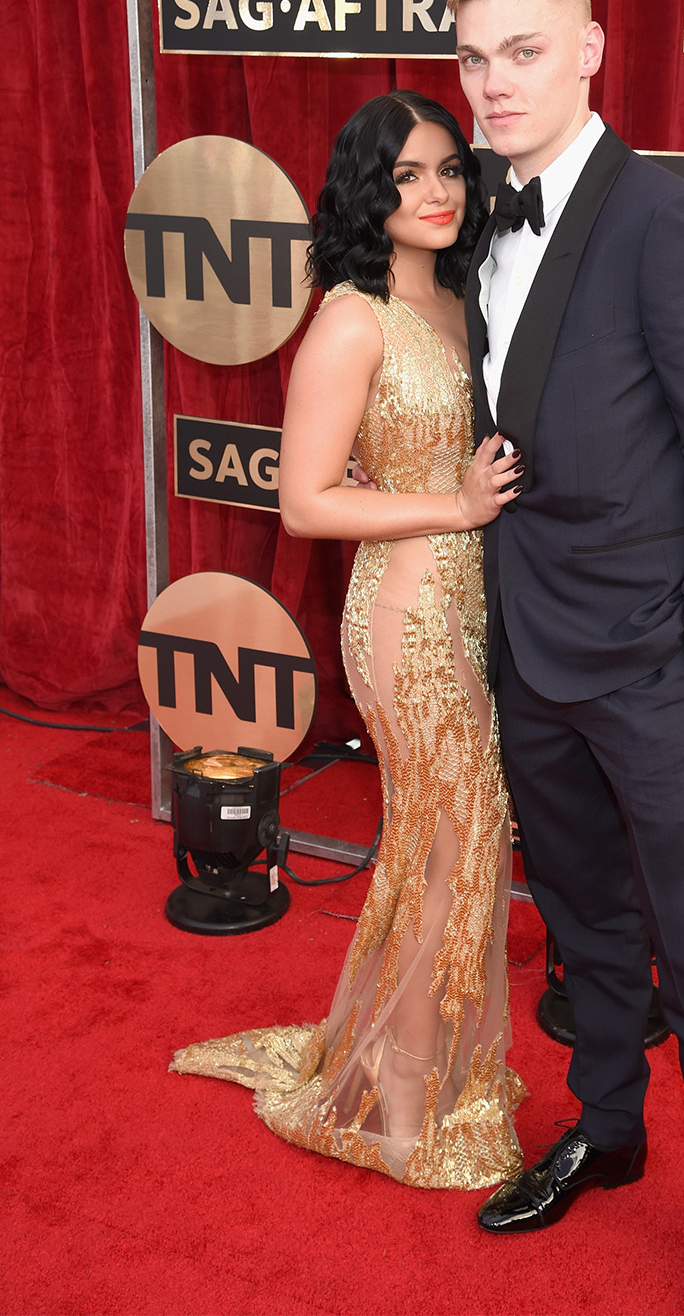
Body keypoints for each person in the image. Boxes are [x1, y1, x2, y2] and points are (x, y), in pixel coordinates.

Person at [445, 0, 684, 1314]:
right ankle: (606, 1128)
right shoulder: (475, 206)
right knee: (583, 932)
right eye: (474, 61)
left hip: (651, 661)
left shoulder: (666, 221)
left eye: (522, 52)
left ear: (590, 49)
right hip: (530, 651)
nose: (493, 86)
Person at [170, 90, 526, 1191]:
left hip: (476, 607)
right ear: (368, 194)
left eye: (450, 171)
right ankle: (398, 1098)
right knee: (450, 843)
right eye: (407, 175)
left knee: (458, 844)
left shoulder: (467, 292)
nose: (434, 193)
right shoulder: (349, 313)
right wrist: (452, 508)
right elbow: (307, 504)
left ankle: (420, 1060)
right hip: (404, 615)